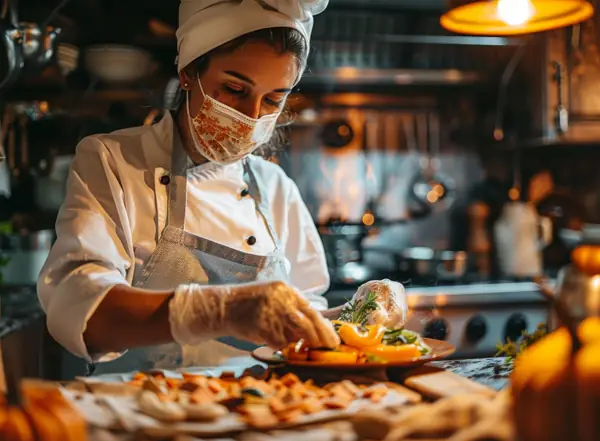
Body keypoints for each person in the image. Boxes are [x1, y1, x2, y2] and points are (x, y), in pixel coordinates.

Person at [37, 0, 407, 376]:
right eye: (234, 89)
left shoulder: (275, 187)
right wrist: (220, 311)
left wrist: (354, 315)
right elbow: (79, 307)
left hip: (260, 409)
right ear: (187, 72)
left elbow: (301, 319)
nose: (251, 116)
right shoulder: (113, 160)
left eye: (274, 99)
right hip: (141, 411)